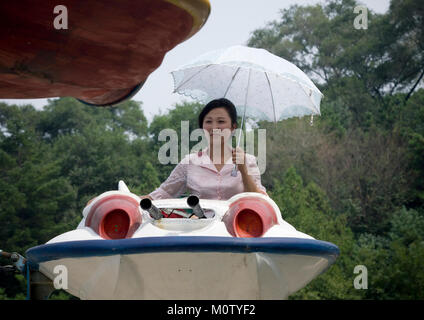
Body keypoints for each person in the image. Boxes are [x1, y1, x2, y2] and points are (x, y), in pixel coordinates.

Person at [141, 98, 268, 202]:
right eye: (208, 121)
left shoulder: (248, 160)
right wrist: (129, 199)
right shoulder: (190, 162)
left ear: (233, 127)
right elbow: (162, 194)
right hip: (202, 229)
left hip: (237, 229)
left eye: (221, 121)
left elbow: (260, 200)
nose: (214, 127)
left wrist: (243, 170)